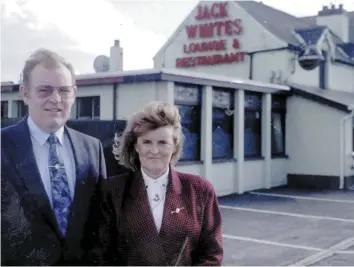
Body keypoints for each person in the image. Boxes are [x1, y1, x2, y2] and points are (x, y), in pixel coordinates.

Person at [83, 101, 223, 266]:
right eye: (147, 142)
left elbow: (212, 254)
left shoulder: (200, 190)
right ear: (136, 145)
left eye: (163, 143)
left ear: (174, 145)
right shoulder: (112, 191)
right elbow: (100, 256)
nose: (154, 151)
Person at [1, 49, 107, 266]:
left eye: (64, 90)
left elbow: (101, 224)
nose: (56, 99)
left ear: (74, 93)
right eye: (44, 90)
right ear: (25, 93)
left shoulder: (92, 148)